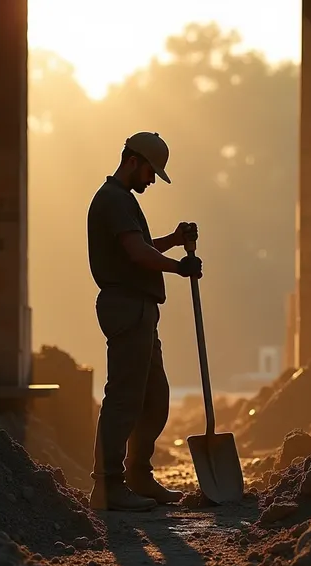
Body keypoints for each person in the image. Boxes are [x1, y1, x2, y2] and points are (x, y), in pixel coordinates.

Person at [87, 131, 202, 511]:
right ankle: (107, 486)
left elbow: (141, 248)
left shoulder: (123, 201)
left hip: (140, 310)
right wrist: (178, 267)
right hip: (126, 308)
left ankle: (138, 475)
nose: (152, 180)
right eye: (151, 172)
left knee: (154, 397)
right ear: (133, 161)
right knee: (123, 398)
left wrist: (172, 239)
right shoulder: (113, 200)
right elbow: (137, 254)